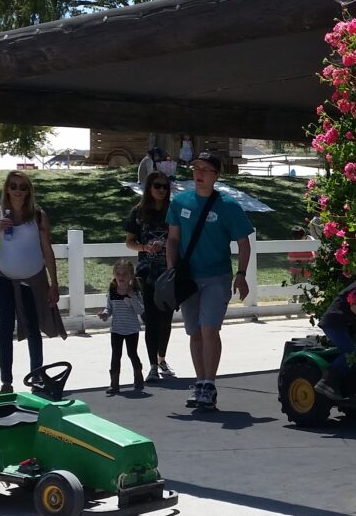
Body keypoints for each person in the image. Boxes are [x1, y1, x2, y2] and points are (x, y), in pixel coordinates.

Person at [166, 151, 254, 411]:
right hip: (187, 279)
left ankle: (209, 384)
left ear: (216, 175)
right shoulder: (179, 202)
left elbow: (244, 242)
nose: (199, 173)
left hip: (217, 276)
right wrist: (171, 271)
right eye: (196, 168)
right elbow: (172, 239)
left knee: (209, 329)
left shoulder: (229, 206)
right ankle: (200, 382)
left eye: (205, 169)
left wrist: (241, 274)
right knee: (194, 332)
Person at [0, 171, 64, 392]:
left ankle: (37, 377)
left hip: (31, 279)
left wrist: (54, 283)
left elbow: (47, 250)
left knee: (33, 328)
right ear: (7, 189)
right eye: (13, 186)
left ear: (28, 191)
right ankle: (6, 381)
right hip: (3, 277)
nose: (18, 191)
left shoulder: (38, 216)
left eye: (23, 187)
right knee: (5, 328)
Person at [122, 172, 177, 381]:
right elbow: (129, 242)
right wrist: (145, 247)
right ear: (149, 188)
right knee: (151, 319)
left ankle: (162, 359)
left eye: (165, 186)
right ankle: (152, 365)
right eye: (157, 186)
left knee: (166, 319)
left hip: (169, 272)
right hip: (147, 272)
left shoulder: (173, 210)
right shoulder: (138, 212)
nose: (161, 190)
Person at [318, 271, 356, 396]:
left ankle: (350, 388)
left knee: (351, 355)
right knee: (350, 353)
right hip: (334, 323)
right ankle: (326, 381)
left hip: (336, 323)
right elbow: (355, 307)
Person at [99, 259, 148, 394]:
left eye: (125, 274)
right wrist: (105, 314)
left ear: (131, 275)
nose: (121, 277)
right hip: (116, 330)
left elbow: (140, 310)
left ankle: (138, 376)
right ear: (114, 275)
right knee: (116, 355)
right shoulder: (112, 292)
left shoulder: (135, 292)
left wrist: (132, 297)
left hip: (132, 329)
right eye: (118, 274)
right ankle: (114, 383)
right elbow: (109, 308)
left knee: (132, 353)